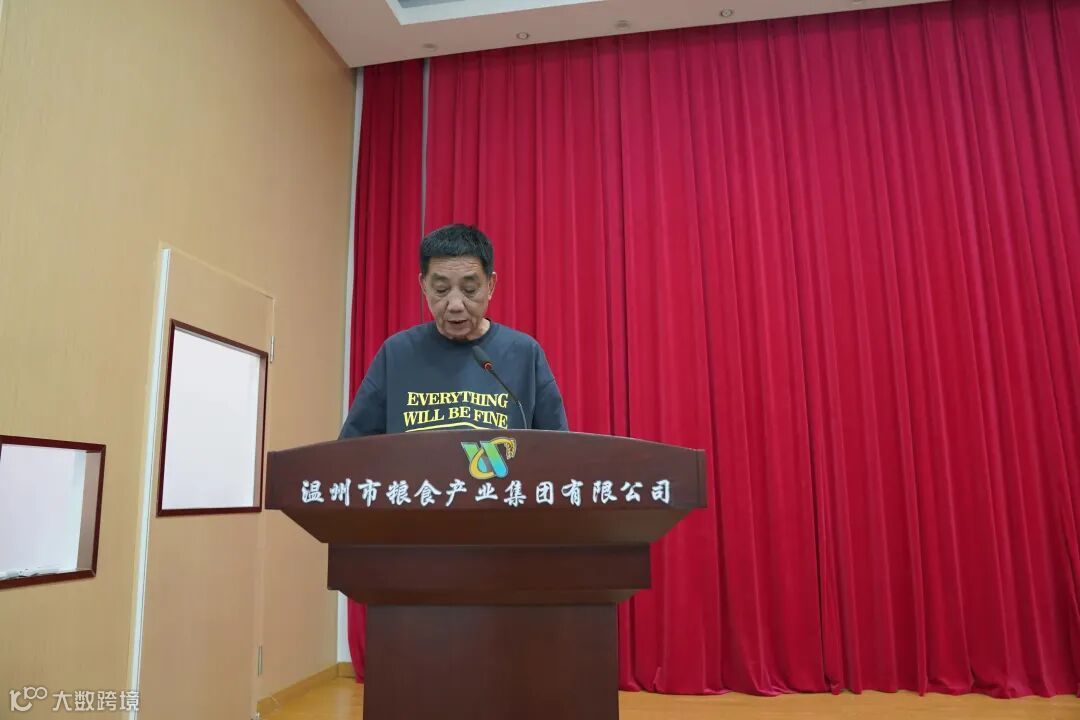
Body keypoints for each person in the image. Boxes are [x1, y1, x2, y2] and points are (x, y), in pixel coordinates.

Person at [339, 224, 568, 438]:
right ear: (424, 286)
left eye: (469, 289)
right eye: (441, 289)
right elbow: (353, 451)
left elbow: (558, 452)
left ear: (490, 285)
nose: (455, 304)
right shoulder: (397, 354)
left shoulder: (524, 354)